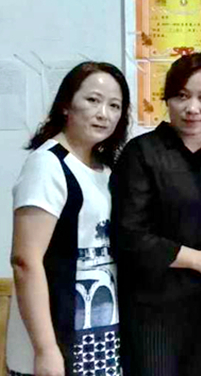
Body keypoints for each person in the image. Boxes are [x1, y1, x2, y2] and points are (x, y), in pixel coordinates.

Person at [111, 52, 201, 376]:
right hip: (151, 309)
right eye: (182, 96)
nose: (192, 108)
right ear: (166, 99)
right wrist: (196, 260)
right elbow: (129, 236)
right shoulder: (141, 152)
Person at [8, 62, 130, 376]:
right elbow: (25, 261)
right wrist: (45, 350)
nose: (104, 113)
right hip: (56, 339)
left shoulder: (105, 169)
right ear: (65, 105)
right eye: (93, 100)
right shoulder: (47, 164)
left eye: (114, 105)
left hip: (100, 336)